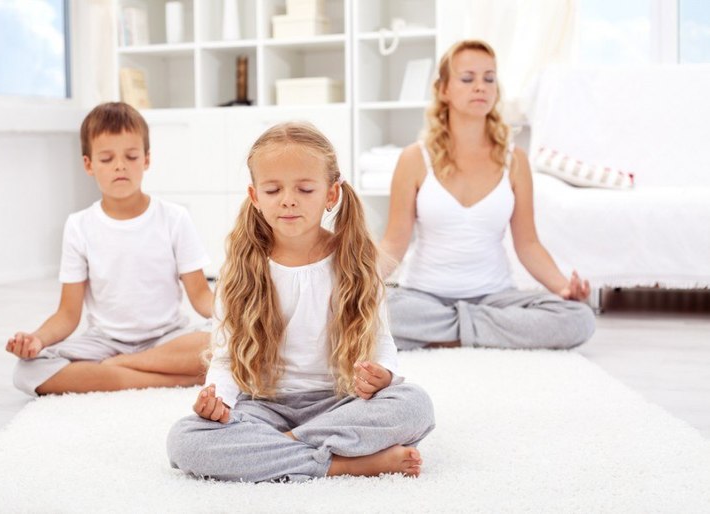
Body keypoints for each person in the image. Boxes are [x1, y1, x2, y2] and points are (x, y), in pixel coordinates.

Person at [167, 122, 435, 483]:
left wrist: (383, 374)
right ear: (255, 196)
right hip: (264, 407)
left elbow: (381, 341)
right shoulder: (240, 268)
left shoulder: (355, 261)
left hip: (339, 402)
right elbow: (227, 358)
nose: (288, 200)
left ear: (331, 194)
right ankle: (343, 463)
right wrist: (218, 400)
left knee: (415, 405)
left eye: (305, 189)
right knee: (186, 441)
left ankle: (280, 450)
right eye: (273, 189)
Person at [380, 40, 595, 351]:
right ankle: (480, 333)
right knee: (373, 313)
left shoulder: (515, 160)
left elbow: (528, 244)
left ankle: (444, 334)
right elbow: (393, 242)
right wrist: (357, 284)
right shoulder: (414, 158)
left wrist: (564, 288)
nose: (480, 86)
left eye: (489, 78)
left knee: (579, 318)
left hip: (495, 299)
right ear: (444, 89)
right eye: (467, 78)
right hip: (424, 297)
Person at [6, 102, 213, 396]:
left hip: (168, 339)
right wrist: (36, 340)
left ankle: (121, 368)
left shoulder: (174, 218)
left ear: (146, 160)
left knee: (224, 344)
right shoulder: (79, 226)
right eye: (106, 158)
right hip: (105, 343)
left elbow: (201, 296)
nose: (120, 166)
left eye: (131, 156)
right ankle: (166, 379)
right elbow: (67, 314)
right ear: (89, 165)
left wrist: (237, 319)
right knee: (28, 371)